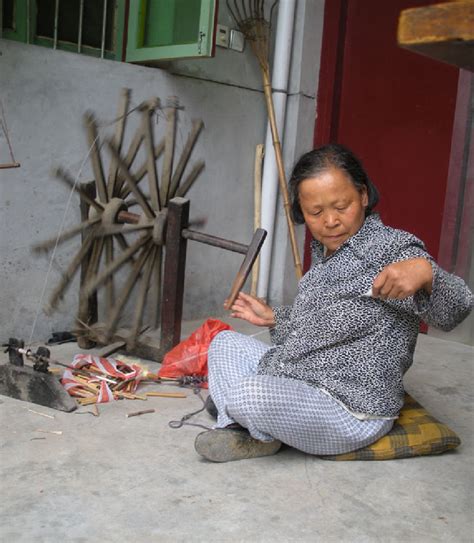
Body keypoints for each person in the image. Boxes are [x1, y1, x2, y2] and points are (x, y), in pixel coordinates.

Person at [194, 144, 473, 463]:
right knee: (224, 343)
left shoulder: (391, 249)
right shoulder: (327, 253)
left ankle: (244, 419)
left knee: (250, 393)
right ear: (302, 211)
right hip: (303, 376)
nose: (330, 221)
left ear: (364, 196)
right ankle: (241, 429)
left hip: (350, 407)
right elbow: (324, 324)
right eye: (315, 212)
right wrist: (275, 318)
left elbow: (458, 308)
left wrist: (426, 273)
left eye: (342, 206)